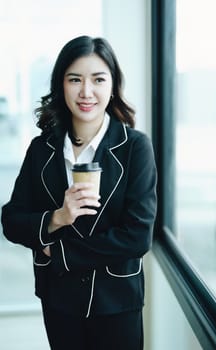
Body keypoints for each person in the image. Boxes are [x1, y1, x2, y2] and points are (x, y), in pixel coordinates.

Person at [1, 35, 157, 350]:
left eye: (98, 79)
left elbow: (138, 236)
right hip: (59, 301)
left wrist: (59, 253)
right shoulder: (41, 149)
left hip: (117, 302)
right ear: (62, 86)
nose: (86, 91)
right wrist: (57, 217)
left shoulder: (135, 147)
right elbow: (11, 220)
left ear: (112, 86)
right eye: (75, 79)